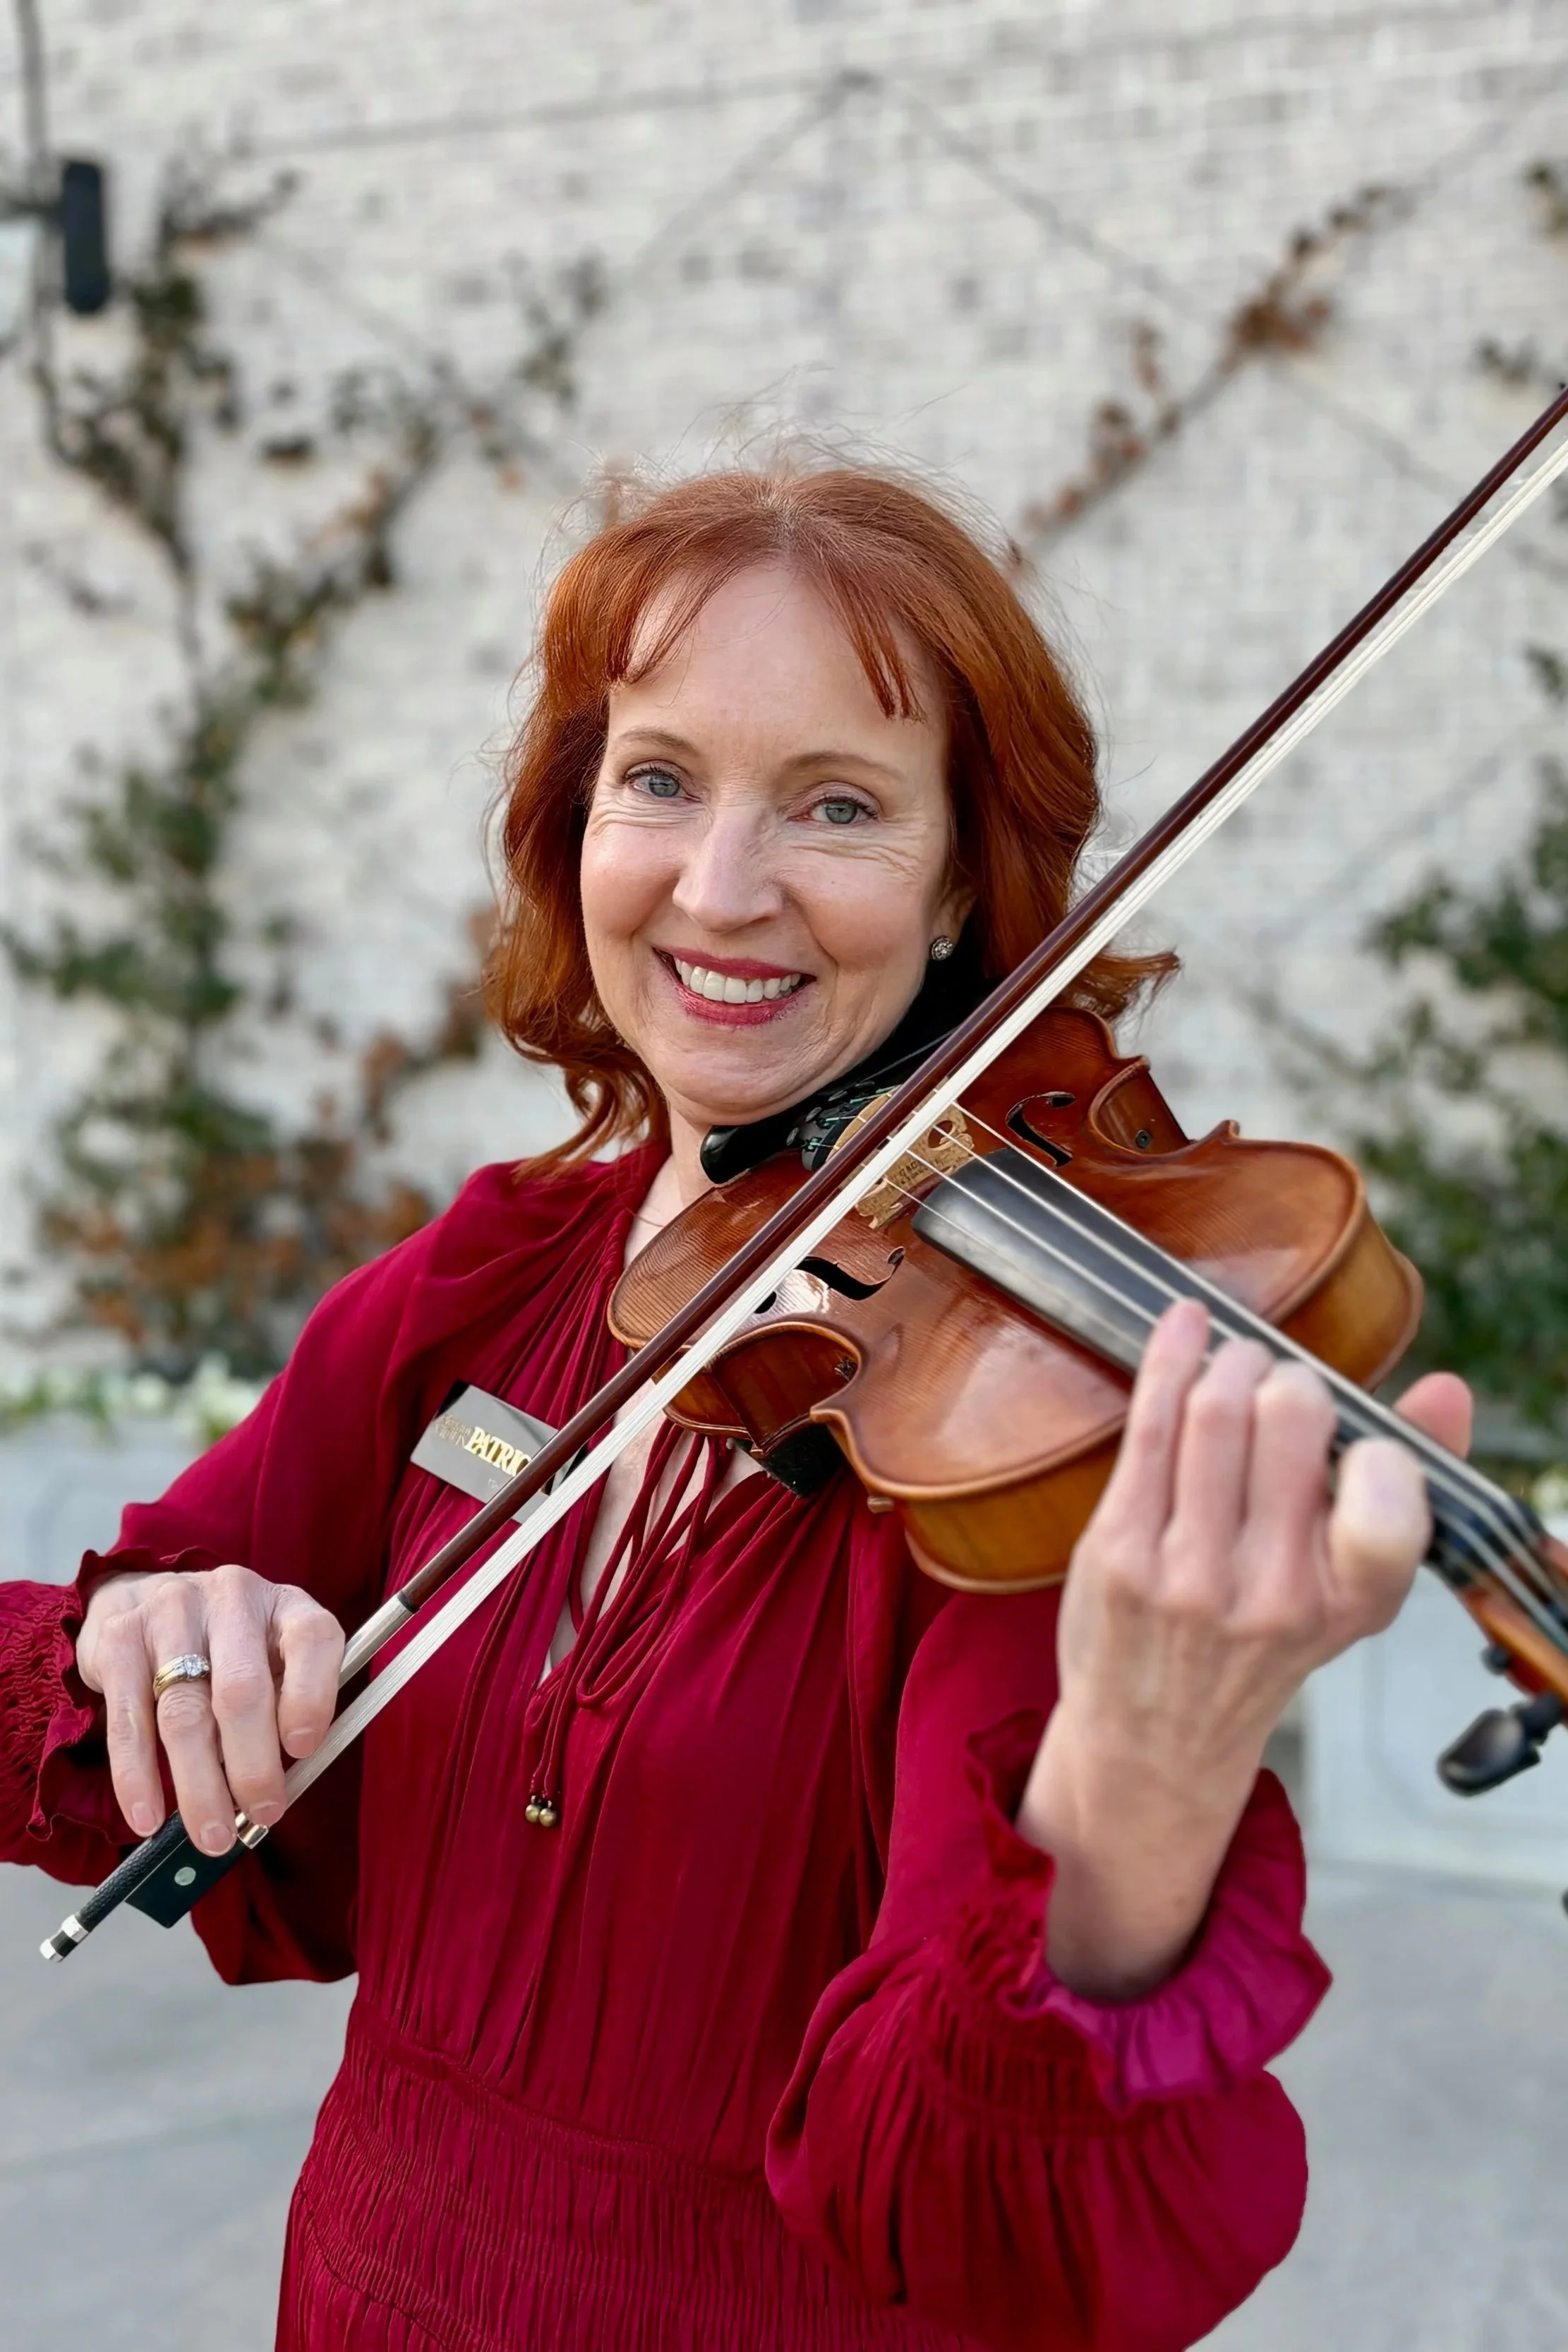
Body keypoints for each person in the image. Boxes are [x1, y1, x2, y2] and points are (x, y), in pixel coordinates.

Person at [0, 466, 1469, 2351]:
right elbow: (81, 1711)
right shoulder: (489, 1277)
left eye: (838, 804)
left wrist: (1140, 1799)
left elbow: (983, 2223)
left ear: (962, 881)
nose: (718, 887)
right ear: (578, 823)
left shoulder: (1021, 1444)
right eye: (660, 779)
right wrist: (149, 1639)